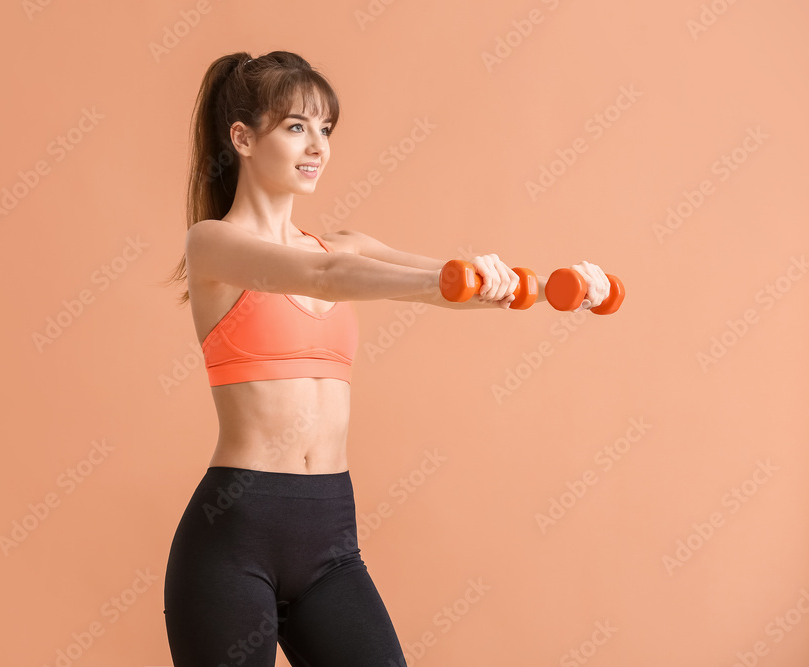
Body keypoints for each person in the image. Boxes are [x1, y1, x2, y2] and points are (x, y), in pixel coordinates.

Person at [162, 50, 611, 667]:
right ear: (241, 137)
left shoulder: (347, 244)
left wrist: (560, 290)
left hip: (329, 539)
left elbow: (453, 280)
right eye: (296, 126)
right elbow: (325, 275)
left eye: (326, 129)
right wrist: (442, 286)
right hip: (235, 537)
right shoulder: (213, 244)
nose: (317, 144)